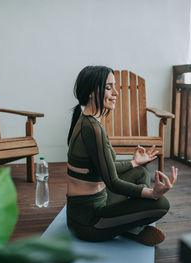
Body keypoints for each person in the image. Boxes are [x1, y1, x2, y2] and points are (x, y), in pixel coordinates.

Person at [66, 65, 178, 246]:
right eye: (109, 87)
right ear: (92, 92)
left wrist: (134, 162)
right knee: (161, 204)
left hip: (91, 203)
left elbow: (105, 168)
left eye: (115, 86)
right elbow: (113, 182)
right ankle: (129, 225)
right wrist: (152, 193)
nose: (116, 93)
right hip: (88, 222)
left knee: (140, 172)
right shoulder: (92, 128)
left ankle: (126, 221)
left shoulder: (88, 118)